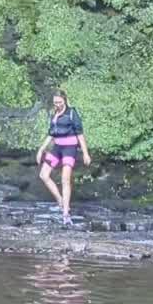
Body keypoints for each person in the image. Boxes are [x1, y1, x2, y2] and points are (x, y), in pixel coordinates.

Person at [35, 89, 92, 224]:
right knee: (43, 174)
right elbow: (51, 134)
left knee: (65, 179)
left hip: (69, 148)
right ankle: (60, 200)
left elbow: (80, 134)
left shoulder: (72, 113)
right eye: (55, 102)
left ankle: (66, 213)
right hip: (57, 148)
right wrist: (41, 149)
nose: (58, 104)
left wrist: (85, 153)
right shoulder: (54, 113)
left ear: (65, 100)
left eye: (60, 102)